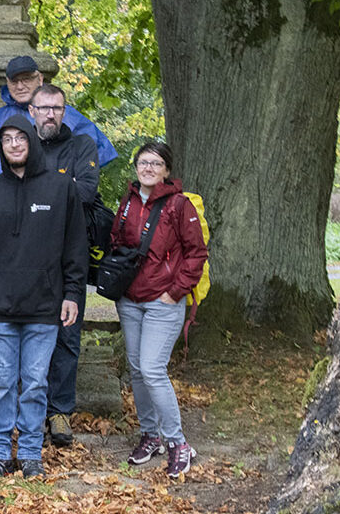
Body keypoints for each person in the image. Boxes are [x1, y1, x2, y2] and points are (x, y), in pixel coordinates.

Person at [0, 115, 87, 480]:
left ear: (32, 142)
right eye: (7, 140)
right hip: (0, 306)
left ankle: (32, 452)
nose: (15, 144)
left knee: (35, 383)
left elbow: (75, 247)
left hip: (45, 305)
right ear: (1, 148)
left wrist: (72, 293)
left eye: (21, 137)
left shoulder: (60, 188)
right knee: (3, 383)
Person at [113, 142, 208, 479]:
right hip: (130, 300)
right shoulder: (127, 202)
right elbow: (117, 243)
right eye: (143, 162)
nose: (148, 168)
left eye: (156, 163)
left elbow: (197, 253)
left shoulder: (179, 205)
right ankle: (150, 435)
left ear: (167, 170)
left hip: (163, 301)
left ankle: (178, 443)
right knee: (138, 370)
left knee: (153, 369)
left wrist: (176, 291)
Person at [0, 55, 118, 255]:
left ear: (40, 79)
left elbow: (88, 174)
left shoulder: (65, 118)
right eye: (14, 81)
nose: (20, 86)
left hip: (55, 230)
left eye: (26, 79)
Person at [27, 83, 101, 447]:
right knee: (27, 334)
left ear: (64, 111)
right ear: (32, 112)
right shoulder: (21, 145)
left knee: (67, 336)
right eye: (43, 108)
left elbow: (87, 192)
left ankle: (60, 412)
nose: (50, 114)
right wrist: (62, 184)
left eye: (56, 108)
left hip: (70, 255)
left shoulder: (82, 146)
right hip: (26, 258)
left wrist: (41, 191)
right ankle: (30, 411)